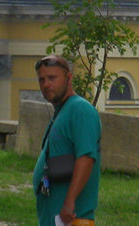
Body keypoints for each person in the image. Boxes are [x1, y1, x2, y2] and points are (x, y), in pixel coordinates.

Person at [32, 55, 101, 226]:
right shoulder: (62, 111)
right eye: (42, 80)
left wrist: (69, 203)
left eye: (52, 78)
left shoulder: (81, 110)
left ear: (68, 78)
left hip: (72, 219)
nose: (46, 84)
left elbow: (86, 157)